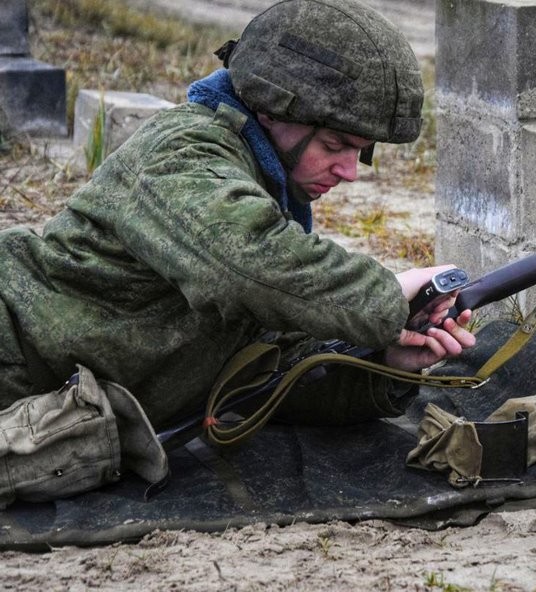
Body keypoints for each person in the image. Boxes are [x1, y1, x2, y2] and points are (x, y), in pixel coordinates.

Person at [0, 0, 474, 505]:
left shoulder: (264, 192)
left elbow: (271, 367)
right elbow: (248, 265)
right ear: (272, 110)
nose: (349, 171)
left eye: (359, 151)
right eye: (335, 143)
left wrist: (387, 360)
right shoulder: (182, 156)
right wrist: (384, 296)